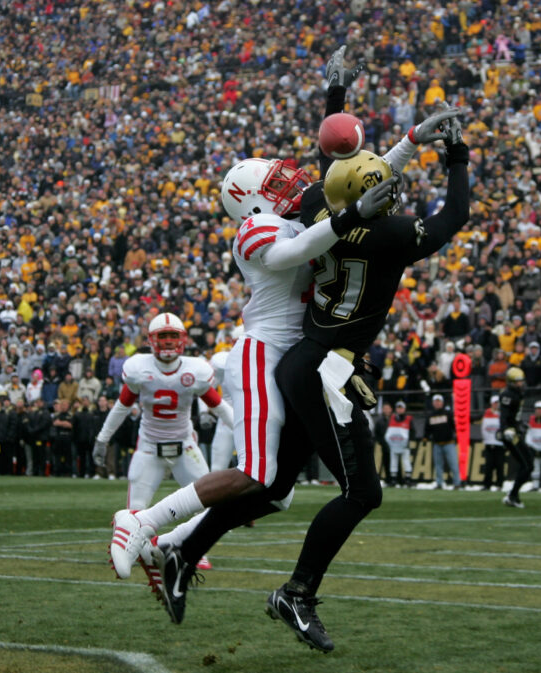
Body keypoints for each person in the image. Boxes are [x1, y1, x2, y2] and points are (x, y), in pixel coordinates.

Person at [116, 48, 459, 596]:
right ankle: (146, 523)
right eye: (275, 183)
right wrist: (352, 213)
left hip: (294, 356)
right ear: (254, 201)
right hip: (265, 352)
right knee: (257, 474)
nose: (289, 183)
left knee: (276, 490)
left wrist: (409, 141)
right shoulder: (259, 230)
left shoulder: (294, 212)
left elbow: (351, 175)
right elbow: (296, 248)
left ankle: (178, 547)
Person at [93, 313, 233, 579]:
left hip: (185, 446)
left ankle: (196, 548)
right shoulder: (139, 368)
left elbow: (219, 406)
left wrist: (244, 432)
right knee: (136, 509)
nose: (168, 342)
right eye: (163, 336)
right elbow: (122, 406)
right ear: (151, 340)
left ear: (183, 340)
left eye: (173, 336)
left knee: (209, 502)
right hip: (149, 446)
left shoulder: (195, 370)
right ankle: (137, 549)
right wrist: (103, 437)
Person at [498, 367, 531, 507]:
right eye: (517, 382)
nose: (520, 384)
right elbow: (504, 416)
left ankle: (513, 495)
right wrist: (506, 429)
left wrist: (520, 424)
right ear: (511, 382)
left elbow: (514, 415)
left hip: (515, 432)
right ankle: (512, 496)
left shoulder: (518, 394)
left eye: (521, 381)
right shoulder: (508, 395)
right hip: (509, 434)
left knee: (529, 464)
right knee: (527, 465)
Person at [425, 393, 460, 490]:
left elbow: (454, 426)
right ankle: (439, 483)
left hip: (449, 443)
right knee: (438, 466)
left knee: (453, 464)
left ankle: (457, 483)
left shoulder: (448, 414)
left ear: (442, 403)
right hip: (437, 444)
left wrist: (456, 435)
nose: (437, 403)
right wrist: (425, 437)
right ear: (433, 403)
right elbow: (427, 429)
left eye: (439, 401)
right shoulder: (430, 416)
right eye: (435, 401)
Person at [384, 400, 414, 487]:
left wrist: (408, 441)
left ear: (404, 409)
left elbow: (412, 431)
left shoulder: (408, 418)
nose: (399, 410)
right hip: (394, 444)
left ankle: (408, 479)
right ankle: (393, 479)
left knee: (406, 461)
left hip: (404, 445)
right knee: (393, 462)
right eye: (398, 408)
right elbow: (388, 433)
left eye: (401, 408)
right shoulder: (392, 418)